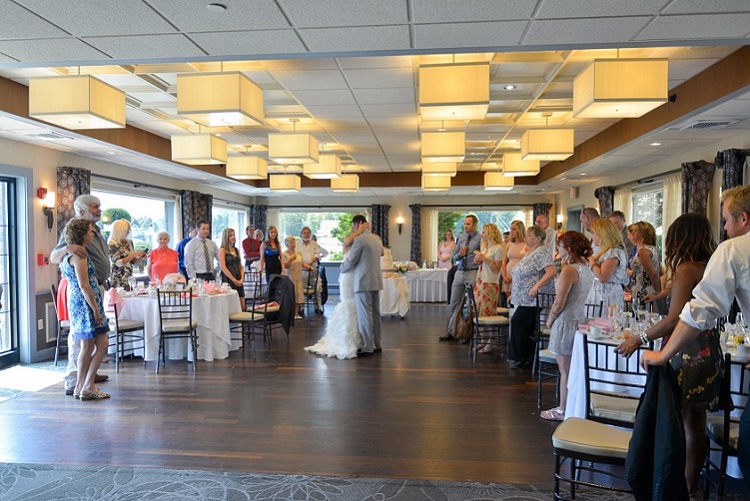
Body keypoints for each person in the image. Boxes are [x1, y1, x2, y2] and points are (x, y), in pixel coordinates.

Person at [617, 213, 720, 498]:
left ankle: (683, 488)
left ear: (681, 237)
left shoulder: (687, 268)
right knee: (695, 423)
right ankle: (691, 485)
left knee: (685, 424)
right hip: (708, 347)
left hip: (689, 350)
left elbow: (675, 319)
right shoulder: (707, 266)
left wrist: (639, 339)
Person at [50, 194, 110, 396]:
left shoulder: (96, 231)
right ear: (82, 210)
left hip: (96, 287)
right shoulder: (75, 232)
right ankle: (75, 380)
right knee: (81, 341)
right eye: (95, 207)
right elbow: (54, 257)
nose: (99, 210)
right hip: (85, 293)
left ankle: (86, 380)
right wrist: (67, 248)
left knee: (90, 342)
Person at [540, 231, 594, 420]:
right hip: (581, 320)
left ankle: (563, 410)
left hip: (566, 321)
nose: (557, 250)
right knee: (575, 368)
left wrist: (549, 320)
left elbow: (559, 302)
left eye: (560, 246)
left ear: (569, 249)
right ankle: (574, 407)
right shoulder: (586, 268)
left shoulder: (570, 271)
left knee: (565, 371)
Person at [304, 223, 370, 359]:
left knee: (355, 304)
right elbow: (347, 245)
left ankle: (359, 338)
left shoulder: (360, 242)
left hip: (356, 275)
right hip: (347, 276)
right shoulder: (348, 240)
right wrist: (361, 230)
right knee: (347, 303)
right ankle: (344, 339)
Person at [508, 225, 556, 369]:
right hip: (524, 297)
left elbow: (551, 271)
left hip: (534, 298)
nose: (526, 237)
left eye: (529, 235)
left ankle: (519, 356)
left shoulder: (542, 252)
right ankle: (527, 357)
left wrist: (536, 286)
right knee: (526, 327)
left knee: (518, 322)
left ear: (538, 238)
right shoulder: (531, 252)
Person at [340, 215, 384, 356]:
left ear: (358, 224)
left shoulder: (359, 240)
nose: (353, 229)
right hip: (376, 280)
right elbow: (382, 254)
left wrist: (342, 268)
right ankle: (378, 344)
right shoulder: (376, 240)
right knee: (376, 314)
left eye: (354, 226)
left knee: (365, 314)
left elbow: (352, 260)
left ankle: (367, 346)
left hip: (363, 281)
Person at [440, 215, 481, 342]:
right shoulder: (461, 238)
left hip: (472, 271)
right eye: (464, 223)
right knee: (454, 302)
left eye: (468, 224)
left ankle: (469, 333)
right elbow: (454, 258)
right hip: (460, 271)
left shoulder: (480, 238)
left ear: (475, 224)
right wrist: (459, 254)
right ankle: (452, 330)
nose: (465, 226)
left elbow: (482, 256)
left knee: (470, 304)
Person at [472, 223, 505, 354]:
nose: (481, 234)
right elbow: (481, 263)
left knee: (488, 313)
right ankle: (483, 339)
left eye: (484, 232)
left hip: (490, 282)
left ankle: (490, 342)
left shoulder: (498, 249)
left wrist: (484, 258)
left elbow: (497, 269)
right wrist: (478, 259)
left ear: (491, 233)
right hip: (480, 281)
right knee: (479, 312)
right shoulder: (485, 247)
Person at [585, 218, 628, 314]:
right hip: (599, 291)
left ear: (602, 234)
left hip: (607, 293)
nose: (592, 237)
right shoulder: (604, 250)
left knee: (605, 324)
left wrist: (592, 262)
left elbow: (603, 277)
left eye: (593, 233)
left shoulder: (613, 252)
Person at [627, 221, 665, 314]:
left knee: (642, 318)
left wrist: (658, 292)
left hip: (644, 291)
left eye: (635, 231)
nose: (632, 233)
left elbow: (653, 274)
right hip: (640, 288)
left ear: (643, 233)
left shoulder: (643, 251)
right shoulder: (651, 248)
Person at [108, 219, 147, 290]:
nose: (128, 232)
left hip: (129, 277)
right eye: (127, 230)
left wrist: (141, 258)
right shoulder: (112, 244)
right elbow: (118, 262)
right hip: (118, 278)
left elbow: (132, 261)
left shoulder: (129, 243)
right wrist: (134, 254)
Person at [298, 226, 328, 314]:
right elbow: (297, 256)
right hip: (302, 270)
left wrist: (310, 263)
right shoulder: (297, 244)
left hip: (314, 269)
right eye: (304, 233)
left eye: (308, 233)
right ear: (301, 234)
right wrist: (306, 265)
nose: (306, 235)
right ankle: (301, 308)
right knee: (301, 289)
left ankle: (318, 307)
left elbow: (317, 254)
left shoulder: (314, 244)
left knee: (318, 288)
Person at [218, 228, 245, 311]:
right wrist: (233, 280)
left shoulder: (236, 250)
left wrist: (241, 279)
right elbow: (223, 267)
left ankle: (243, 323)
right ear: (226, 237)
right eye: (230, 236)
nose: (233, 237)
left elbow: (240, 265)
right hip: (228, 279)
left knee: (242, 305)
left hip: (238, 277)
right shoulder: (222, 250)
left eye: (234, 235)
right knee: (232, 305)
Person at [501, 220, 527, 306]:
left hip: (520, 276)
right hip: (508, 276)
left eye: (514, 229)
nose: (511, 231)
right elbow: (504, 261)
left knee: (518, 302)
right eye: (511, 229)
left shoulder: (526, 245)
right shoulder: (509, 245)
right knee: (509, 303)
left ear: (520, 230)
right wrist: (504, 276)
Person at [283, 236, 304, 319]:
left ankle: (297, 314)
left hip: (298, 276)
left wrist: (310, 267)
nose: (293, 244)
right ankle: (289, 314)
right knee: (291, 295)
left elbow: (302, 263)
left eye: (294, 242)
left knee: (298, 296)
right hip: (290, 277)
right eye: (291, 242)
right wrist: (291, 259)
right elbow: (284, 265)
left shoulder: (298, 253)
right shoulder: (284, 254)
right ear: (286, 244)